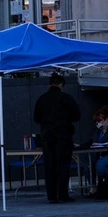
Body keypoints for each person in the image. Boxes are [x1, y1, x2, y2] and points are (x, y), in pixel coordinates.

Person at [33, 73, 81, 203]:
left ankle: (52, 196)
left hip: (47, 136)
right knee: (63, 165)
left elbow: (36, 118)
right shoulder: (66, 98)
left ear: (49, 84)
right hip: (63, 135)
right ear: (62, 84)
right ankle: (63, 194)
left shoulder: (42, 99)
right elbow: (77, 116)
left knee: (49, 165)